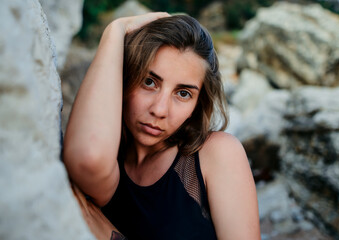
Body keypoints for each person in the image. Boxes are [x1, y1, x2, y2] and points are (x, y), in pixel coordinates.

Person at [63, 12, 260, 240]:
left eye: (183, 93)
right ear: (124, 78)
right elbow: (89, 157)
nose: (160, 109)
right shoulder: (110, 160)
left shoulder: (216, 155)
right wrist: (114, 33)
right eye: (149, 82)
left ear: (197, 104)